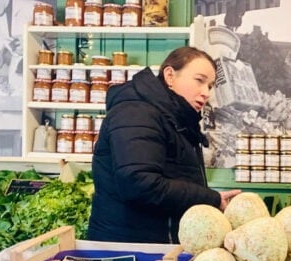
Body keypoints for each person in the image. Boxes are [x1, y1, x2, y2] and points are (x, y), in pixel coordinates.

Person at [88, 47, 239, 243]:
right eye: (199, 80)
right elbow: (140, 185)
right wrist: (210, 198)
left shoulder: (174, 118)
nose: (205, 93)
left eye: (210, 86)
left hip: (152, 245)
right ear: (170, 76)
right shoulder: (136, 113)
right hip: (129, 251)